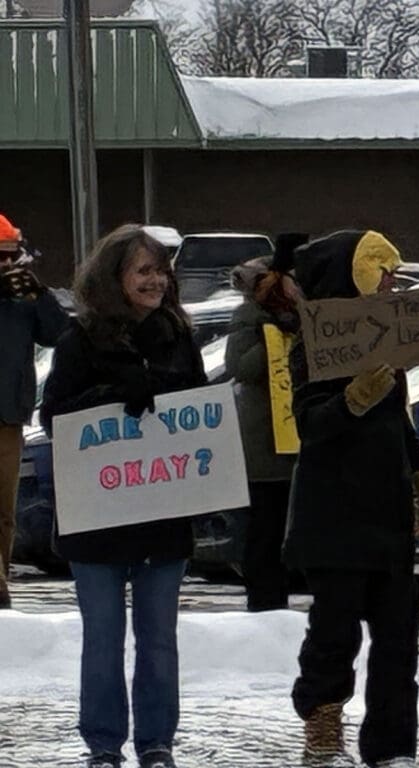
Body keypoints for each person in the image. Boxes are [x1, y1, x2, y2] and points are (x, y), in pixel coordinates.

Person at [40, 224, 207, 768]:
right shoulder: (80, 339)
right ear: (115, 278)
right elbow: (55, 418)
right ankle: (104, 745)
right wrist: (110, 397)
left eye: (161, 270)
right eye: (144, 270)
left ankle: (157, 742)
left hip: (162, 511)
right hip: (97, 517)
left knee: (160, 639)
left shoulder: (178, 335)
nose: (156, 281)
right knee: (104, 639)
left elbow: (199, 411)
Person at [284, 229, 419, 768]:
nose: (393, 284)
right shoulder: (313, 342)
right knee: (334, 632)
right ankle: (324, 727)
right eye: (383, 273)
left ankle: (393, 746)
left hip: (387, 515)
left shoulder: (387, 338)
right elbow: (308, 426)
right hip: (333, 517)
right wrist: (351, 400)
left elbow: (396, 419)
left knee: (399, 639)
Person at [225, 232, 308, 612]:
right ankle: (265, 609)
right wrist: (274, 336)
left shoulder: (315, 312)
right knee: (264, 535)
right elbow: (239, 368)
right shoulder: (251, 315)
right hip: (264, 447)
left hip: (302, 444)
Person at [0, 212, 67, 609]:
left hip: (9, 415)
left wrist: (39, 294)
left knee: (5, 510)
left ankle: (1, 578)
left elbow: (59, 333)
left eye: (12, 255)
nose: (7, 264)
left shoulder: (22, 300)